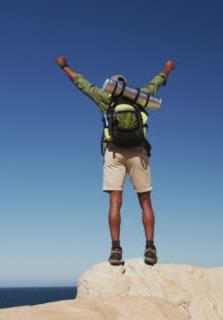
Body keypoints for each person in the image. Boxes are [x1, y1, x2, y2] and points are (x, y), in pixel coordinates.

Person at [55, 56, 175, 266]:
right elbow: (157, 81)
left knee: (115, 202)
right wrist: (167, 69)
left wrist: (64, 66)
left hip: (113, 152)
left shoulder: (105, 98)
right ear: (126, 87)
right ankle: (150, 248)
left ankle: (116, 250)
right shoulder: (140, 97)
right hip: (138, 153)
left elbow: (81, 83)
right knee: (145, 201)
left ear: (112, 86)